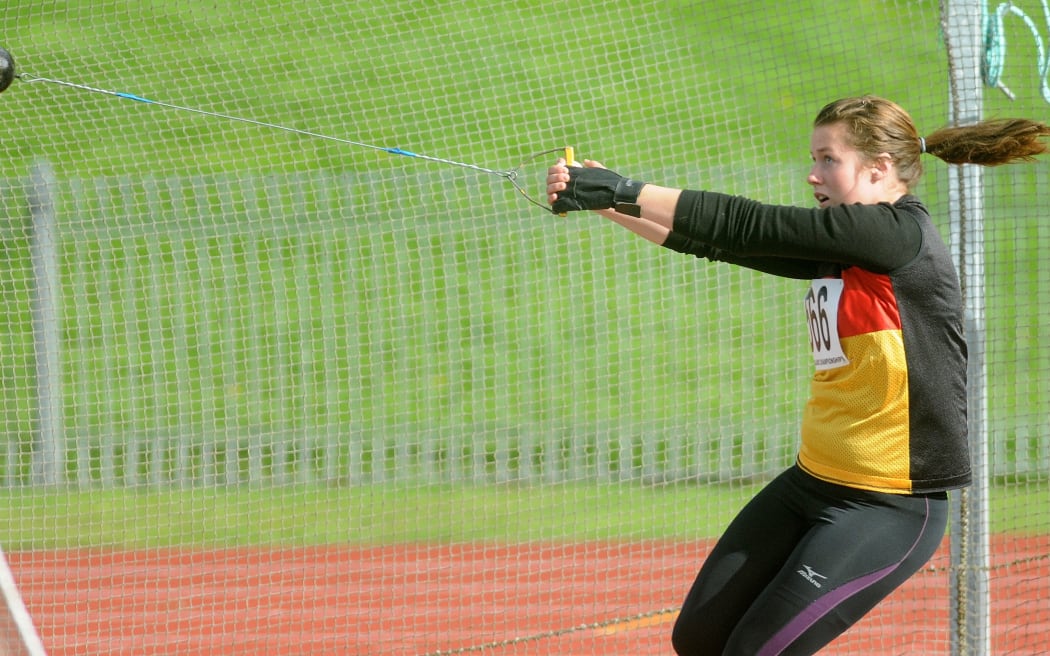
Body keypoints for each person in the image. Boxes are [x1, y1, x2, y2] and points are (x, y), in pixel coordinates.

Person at [546, 95, 1050, 655]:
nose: (813, 173)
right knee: (700, 638)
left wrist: (626, 189)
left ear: (879, 169)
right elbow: (720, 242)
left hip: (889, 506)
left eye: (828, 158)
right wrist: (604, 205)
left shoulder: (895, 236)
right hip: (812, 482)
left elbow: (748, 221)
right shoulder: (846, 246)